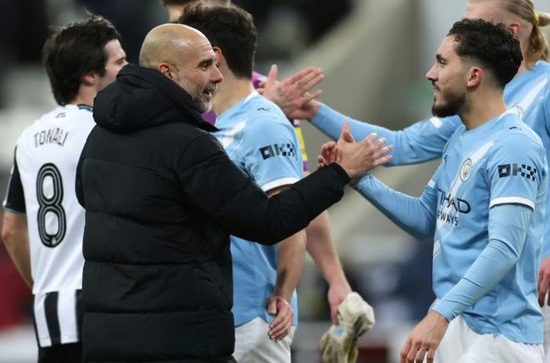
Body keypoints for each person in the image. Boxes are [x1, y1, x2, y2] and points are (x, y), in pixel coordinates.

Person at [274, 0, 550, 363]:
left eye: (473, 24)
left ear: (507, 34)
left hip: (543, 285)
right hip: (470, 306)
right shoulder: (464, 127)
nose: (432, 73)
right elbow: (402, 155)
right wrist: (323, 124)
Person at [75, 22, 391, 362]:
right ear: (167, 72)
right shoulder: (188, 145)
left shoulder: (100, 136)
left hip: (106, 340)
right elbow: (268, 221)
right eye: (204, 66)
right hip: (178, 341)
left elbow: (85, 195)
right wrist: (339, 173)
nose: (217, 76)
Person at [320, 18, 546, 362]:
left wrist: (439, 315)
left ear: (473, 76)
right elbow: (427, 219)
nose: (430, 74)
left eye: (442, 62)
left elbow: (504, 248)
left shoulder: (514, 145)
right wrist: (359, 178)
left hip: (499, 334)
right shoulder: (461, 138)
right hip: (457, 323)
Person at [162, 0, 357, 324]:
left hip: (252, 306)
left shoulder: (265, 109)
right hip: (192, 305)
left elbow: (296, 201)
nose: (175, 42)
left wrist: (335, 279)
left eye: (186, 28)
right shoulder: (169, 102)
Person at [179, 4, 306, 362]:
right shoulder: (208, 123)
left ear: (214, 58)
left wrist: (283, 295)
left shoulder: (263, 124)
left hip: (254, 319)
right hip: (216, 314)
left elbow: (293, 221)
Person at [0, 15, 127, 362]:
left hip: (50, 314)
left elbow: (11, 230)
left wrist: (43, 284)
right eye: (119, 62)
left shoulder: (28, 138)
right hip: (104, 309)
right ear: (90, 75)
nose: (128, 71)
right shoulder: (105, 131)